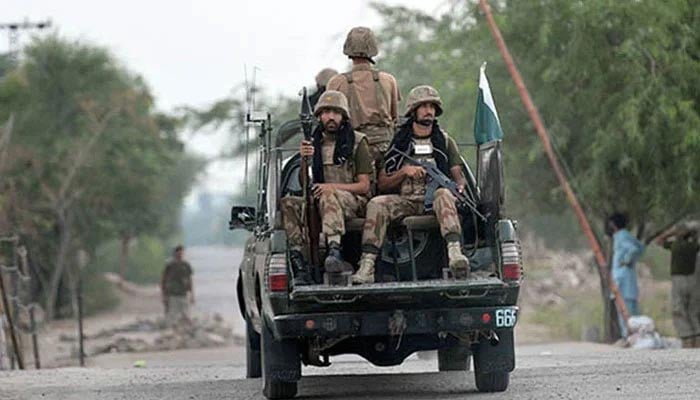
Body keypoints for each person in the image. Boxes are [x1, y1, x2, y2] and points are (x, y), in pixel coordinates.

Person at [352, 85, 470, 284]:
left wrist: (458, 188)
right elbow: (383, 182)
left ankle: (455, 254)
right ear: (413, 111)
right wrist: (403, 172)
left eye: (432, 106)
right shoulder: (399, 143)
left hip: (435, 202)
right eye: (423, 106)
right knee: (376, 204)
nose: (428, 111)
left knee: (444, 194)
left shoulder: (445, 141)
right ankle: (367, 266)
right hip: (406, 201)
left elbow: (458, 175)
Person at [281, 90, 373, 285]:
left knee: (327, 194)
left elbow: (364, 186)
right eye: (326, 112)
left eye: (336, 112)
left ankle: (334, 250)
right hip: (321, 199)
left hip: (353, 202)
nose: (331, 117)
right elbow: (305, 183)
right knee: (289, 203)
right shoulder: (313, 143)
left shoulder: (357, 142)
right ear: (319, 116)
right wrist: (305, 160)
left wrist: (330, 187)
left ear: (343, 116)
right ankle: (299, 261)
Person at [326, 26, 400, 166]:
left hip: (352, 148)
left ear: (348, 50)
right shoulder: (388, 80)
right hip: (386, 149)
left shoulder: (336, 82)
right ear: (373, 49)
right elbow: (394, 117)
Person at [657, 228, 700, 348]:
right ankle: (697, 336)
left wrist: (670, 233)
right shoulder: (694, 246)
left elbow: (659, 241)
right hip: (694, 281)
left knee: (679, 308)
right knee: (694, 309)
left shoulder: (675, 246)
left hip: (678, 281)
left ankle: (686, 337)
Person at [608, 213, 645, 338]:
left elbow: (633, 249)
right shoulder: (627, 235)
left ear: (613, 224)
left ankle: (628, 336)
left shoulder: (620, 236)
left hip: (622, 278)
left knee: (623, 310)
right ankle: (635, 336)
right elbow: (640, 248)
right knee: (632, 309)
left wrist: (626, 260)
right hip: (628, 278)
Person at [160, 245, 194, 327]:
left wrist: (192, 295)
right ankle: (170, 331)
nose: (180, 255)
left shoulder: (186, 265)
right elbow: (163, 281)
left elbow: (190, 280)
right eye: (178, 253)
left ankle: (184, 332)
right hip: (172, 295)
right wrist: (164, 296)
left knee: (186, 315)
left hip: (183, 294)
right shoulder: (169, 266)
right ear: (175, 254)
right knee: (172, 315)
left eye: (182, 253)